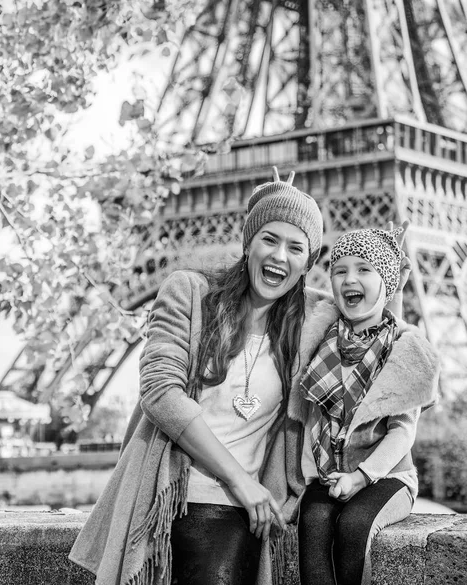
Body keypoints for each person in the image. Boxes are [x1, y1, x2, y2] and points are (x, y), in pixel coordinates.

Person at [68, 167, 405, 585]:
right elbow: (160, 393)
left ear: (309, 263)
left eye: (295, 248)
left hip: (243, 514)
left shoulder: (317, 319)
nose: (280, 256)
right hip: (172, 498)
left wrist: (394, 280)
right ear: (249, 243)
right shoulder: (189, 292)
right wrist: (240, 482)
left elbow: (379, 328)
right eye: (269, 239)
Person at [296, 227, 440, 585]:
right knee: (311, 526)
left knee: (355, 526)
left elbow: (401, 433)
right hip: (330, 474)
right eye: (340, 270)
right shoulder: (320, 338)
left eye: (364, 269)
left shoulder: (406, 350)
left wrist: (361, 477)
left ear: (387, 282)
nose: (350, 279)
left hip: (386, 476)